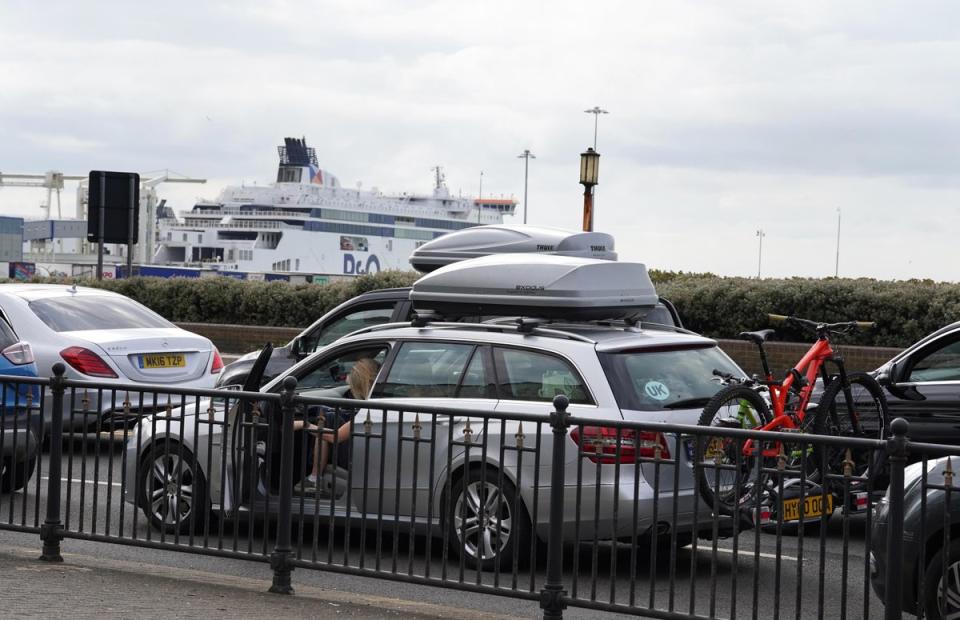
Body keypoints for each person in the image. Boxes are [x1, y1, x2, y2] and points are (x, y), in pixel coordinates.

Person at [294, 358, 378, 494]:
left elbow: (336, 437)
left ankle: (314, 479)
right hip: (366, 448)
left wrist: (303, 424)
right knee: (329, 416)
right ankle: (314, 478)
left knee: (328, 419)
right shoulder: (373, 401)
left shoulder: (371, 408)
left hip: (359, 456)